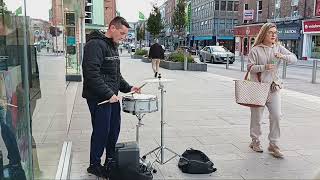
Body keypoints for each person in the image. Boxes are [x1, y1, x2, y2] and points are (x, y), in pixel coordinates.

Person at [82, 16, 141, 178]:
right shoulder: (95, 45)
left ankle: (110, 159)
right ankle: (94, 165)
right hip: (99, 98)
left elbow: (116, 75)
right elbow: (91, 74)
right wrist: (108, 94)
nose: (124, 37)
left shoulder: (112, 46)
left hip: (112, 97)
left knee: (114, 129)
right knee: (102, 131)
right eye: (122, 33)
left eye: (125, 34)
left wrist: (129, 87)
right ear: (112, 28)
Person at [247, 23, 297, 158]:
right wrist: (264, 67)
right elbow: (250, 67)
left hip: (273, 88)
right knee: (257, 117)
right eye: (271, 32)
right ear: (264, 34)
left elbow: (294, 59)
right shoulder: (255, 50)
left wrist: (282, 56)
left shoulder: (279, 48)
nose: (274, 35)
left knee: (277, 115)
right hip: (258, 88)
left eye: (275, 32)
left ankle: (273, 144)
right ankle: (255, 141)